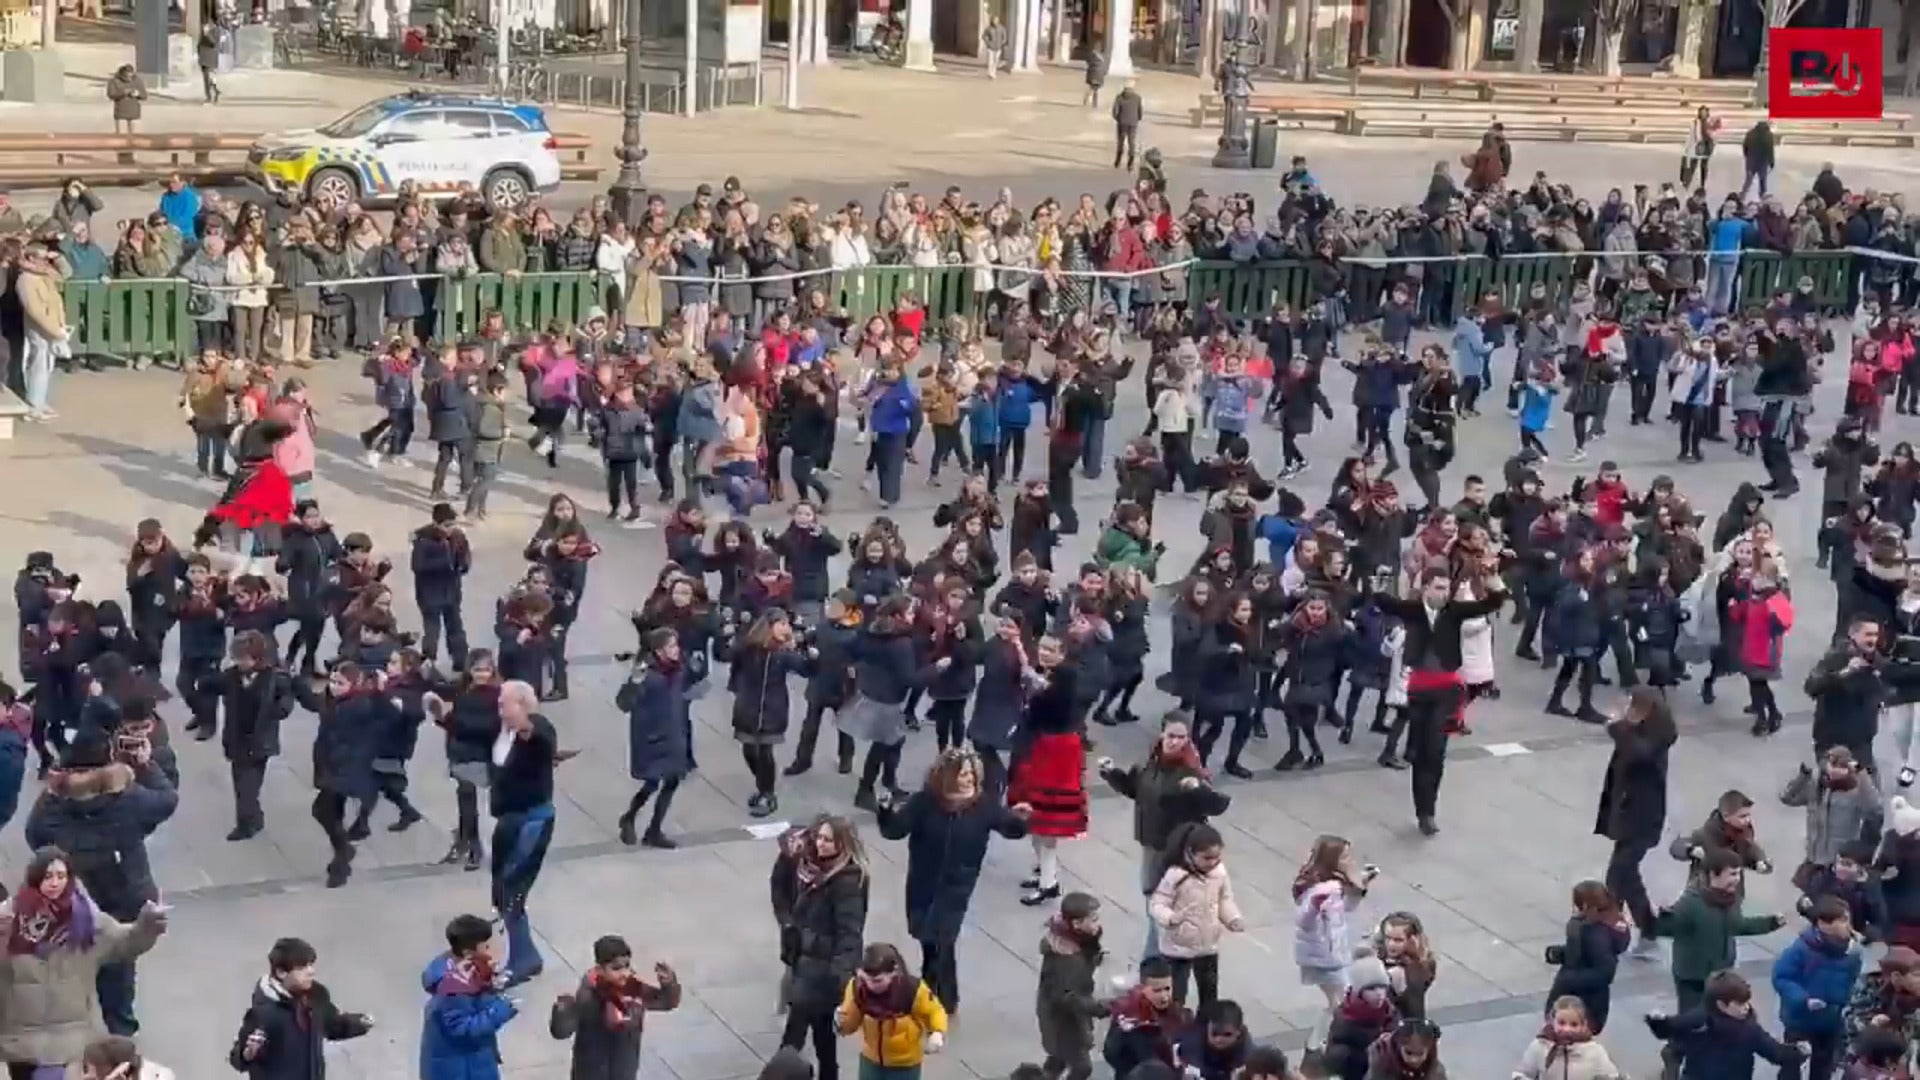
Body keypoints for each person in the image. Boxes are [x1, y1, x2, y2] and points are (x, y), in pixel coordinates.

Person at [23, 726, 178, 1037]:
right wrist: (147, 765)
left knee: (73, 959)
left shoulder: (54, 807)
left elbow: (35, 836)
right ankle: (120, 1031)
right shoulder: (129, 797)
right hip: (127, 894)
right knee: (120, 962)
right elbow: (167, 800)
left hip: (77, 899)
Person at [875, 748, 1030, 1015]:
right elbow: (895, 830)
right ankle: (942, 996)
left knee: (942, 941)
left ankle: (935, 999)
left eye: (971, 773)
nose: (968, 779)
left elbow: (1010, 829)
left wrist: (1021, 819)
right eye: (962, 774)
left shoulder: (983, 805)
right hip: (923, 882)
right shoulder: (925, 802)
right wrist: (886, 812)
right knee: (928, 941)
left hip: (957, 886)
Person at [0, 847, 168, 1076]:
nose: (55, 883)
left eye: (61, 876)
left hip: (75, 1041)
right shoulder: (9, 919)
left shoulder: (86, 919)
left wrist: (147, 927)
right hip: (25, 1045)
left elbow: (123, 943)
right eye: (48, 876)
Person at [1365, 565, 1507, 835]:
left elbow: (1491, 604)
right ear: (1426, 587)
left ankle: (1429, 811)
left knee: (1436, 751)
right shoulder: (1413, 609)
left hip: (1447, 689)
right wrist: (1378, 586)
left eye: (1446, 588)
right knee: (1419, 752)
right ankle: (1422, 808)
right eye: (1438, 588)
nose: (1443, 594)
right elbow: (1384, 602)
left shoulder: (1454, 611)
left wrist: (1493, 581)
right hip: (1419, 688)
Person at [775, 816, 869, 1080]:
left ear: (843, 843)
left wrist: (841, 977)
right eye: (820, 838)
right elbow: (780, 889)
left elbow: (850, 934)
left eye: (829, 840)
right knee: (822, 1034)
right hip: (804, 964)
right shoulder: (811, 868)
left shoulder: (847, 882)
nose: (821, 844)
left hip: (822, 971)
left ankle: (779, 1076)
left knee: (794, 1035)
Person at [489, 680, 562, 988]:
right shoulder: (503, 732)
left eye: (505, 703)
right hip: (509, 820)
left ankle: (523, 960)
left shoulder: (539, 729)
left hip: (530, 822)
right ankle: (525, 953)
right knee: (503, 890)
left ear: (521, 705)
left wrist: (524, 724)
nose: (500, 708)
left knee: (512, 888)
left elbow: (541, 738)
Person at [1594, 685, 1675, 958]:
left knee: (1619, 874)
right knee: (1624, 875)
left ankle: (1610, 933)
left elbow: (1638, 753)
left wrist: (1618, 726)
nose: (1627, 710)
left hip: (1642, 819)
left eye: (1632, 706)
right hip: (1629, 816)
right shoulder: (1641, 734)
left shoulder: (1655, 739)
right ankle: (1641, 931)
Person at [228, 937, 373, 1079]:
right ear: (281, 973)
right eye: (302, 967)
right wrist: (247, 1054)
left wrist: (360, 1023)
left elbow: (331, 1024)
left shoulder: (316, 996)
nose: (311, 971)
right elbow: (237, 1057)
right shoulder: (262, 1012)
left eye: (311, 964)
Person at [548, 936, 681, 1080]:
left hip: (624, 1071)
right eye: (616, 968)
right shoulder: (589, 997)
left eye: (627, 966)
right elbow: (561, 1032)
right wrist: (563, 1011)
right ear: (599, 969)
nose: (624, 973)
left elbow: (666, 1003)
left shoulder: (634, 990)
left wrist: (669, 985)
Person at [1148, 822, 1245, 1009]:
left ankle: (1205, 1027)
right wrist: (1170, 918)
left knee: (1209, 995)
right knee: (1176, 997)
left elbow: (1224, 899)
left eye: (1217, 857)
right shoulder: (1176, 875)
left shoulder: (1219, 873)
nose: (1213, 862)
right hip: (1177, 948)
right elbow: (1158, 903)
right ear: (1190, 853)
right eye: (1207, 858)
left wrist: (1232, 918)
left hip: (1208, 946)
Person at [1773, 894, 1863, 1080]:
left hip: (1831, 1021)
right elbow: (1782, 978)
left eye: (1847, 919)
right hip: (1800, 1020)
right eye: (1841, 920)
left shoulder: (1853, 952)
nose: (1847, 925)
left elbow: (1852, 980)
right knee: (1793, 1067)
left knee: (1823, 1068)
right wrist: (1804, 999)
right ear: (1823, 924)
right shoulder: (1801, 949)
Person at [420, 914, 520, 1080]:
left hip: (470, 1061)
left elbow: (476, 998)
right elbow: (462, 1029)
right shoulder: (455, 988)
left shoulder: (459, 968)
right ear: (468, 953)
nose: (490, 950)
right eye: (485, 947)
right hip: (462, 1068)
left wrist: (491, 984)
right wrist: (501, 1010)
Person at [834, 943, 948, 1080]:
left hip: (905, 1065)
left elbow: (934, 1011)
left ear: (894, 972)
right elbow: (850, 1023)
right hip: (871, 1060)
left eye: (878, 981)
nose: (870, 985)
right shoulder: (857, 987)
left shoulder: (911, 989)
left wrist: (937, 1032)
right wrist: (841, 1022)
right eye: (866, 979)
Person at [1543, 881, 1630, 1034]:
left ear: (1584, 905)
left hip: (1585, 1003)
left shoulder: (1597, 934)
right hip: (1576, 998)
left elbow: (1605, 973)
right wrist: (1561, 953)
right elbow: (1581, 953)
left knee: (1570, 1041)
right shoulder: (1588, 924)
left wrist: (1568, 980)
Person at [1513, 997, 1624, 1080]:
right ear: (1552, 1021)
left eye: (1574, 1024)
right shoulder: (1540, 1046)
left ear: (1583, 1025)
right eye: (1561, 1023)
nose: (1566, 1029)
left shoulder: (1594, 1051)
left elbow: (1611, 1076)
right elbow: (1522, 1073)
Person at [1111, 80, 1143, 173]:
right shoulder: (1137, 98)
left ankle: (1117, 162)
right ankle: (1130, 164)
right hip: (1133, 123)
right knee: (1131, 143)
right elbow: (1140, 111)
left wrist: (1119, 119)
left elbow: (1115, 112)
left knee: (1120, 142)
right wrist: (1137, 119)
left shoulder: (1119, 98)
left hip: (1122, 123)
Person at [105, 65, 144, 134]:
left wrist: (138, 94)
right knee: (121, 138)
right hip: (121, 114)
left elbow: (144, 96)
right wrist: (123, 93)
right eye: (127, 76)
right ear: (122, 74)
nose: (129, 78)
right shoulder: (114, 81)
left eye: (131, 75)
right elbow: (110, 94)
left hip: (134, 114)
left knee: (136, 139)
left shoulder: (138, 81)